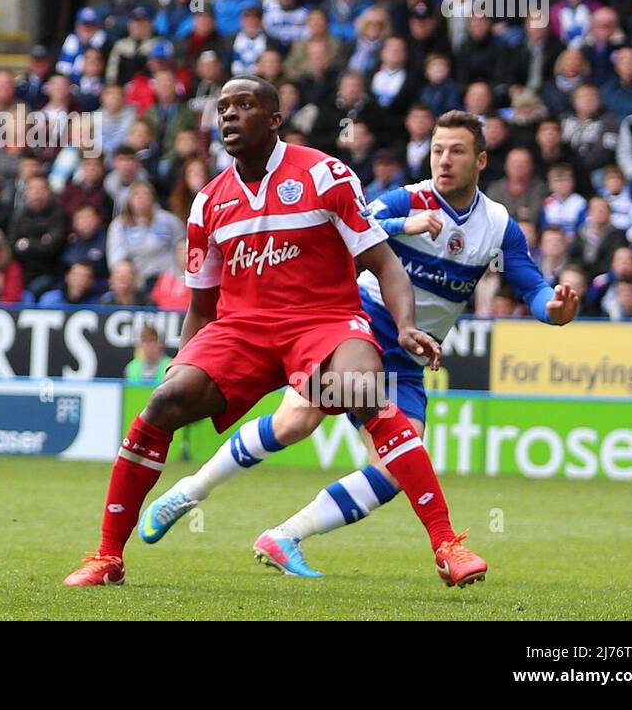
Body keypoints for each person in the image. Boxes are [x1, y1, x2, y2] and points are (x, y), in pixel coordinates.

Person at [64, 76, 484, 590]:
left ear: (275, 119)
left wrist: (406, 326)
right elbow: (202, 305)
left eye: (245, 106)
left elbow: (384, 263)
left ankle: (447, 546)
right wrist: (182, 364)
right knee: (162, 404)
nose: (230, 116)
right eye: (223, 108)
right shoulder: (207, 203)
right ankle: (108, 556)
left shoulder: (326, 174)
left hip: (324, 321)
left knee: (365, 389)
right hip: (242, 331)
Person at [148, 110, 579, 577]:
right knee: (297, 420)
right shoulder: (404, 199)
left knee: (396, 467)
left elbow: (532, 287)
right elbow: (345, 230)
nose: (444, 160)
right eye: (437, 150)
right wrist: (403, 226)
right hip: (362, 328)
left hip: (411, 356)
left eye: (456, 151)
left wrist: (553, 309)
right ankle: (189, 491)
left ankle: (285, 535)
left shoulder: (497, 225)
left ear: (480, 160)